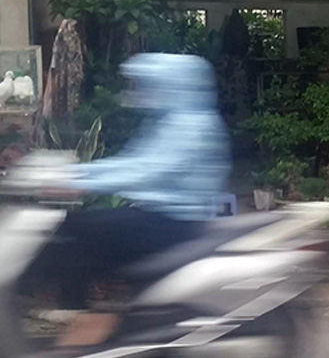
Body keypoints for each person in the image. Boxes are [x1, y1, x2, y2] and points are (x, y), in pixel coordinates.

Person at [22, 53, 231, 309]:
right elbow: (129, 163)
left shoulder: (191, 127)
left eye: (145, 85)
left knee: (76, 229)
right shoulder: (171, 121)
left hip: (172, 223)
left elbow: (145, 171)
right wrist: (75, 175)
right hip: (157, 218)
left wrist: (81, 182)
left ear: (168, 86)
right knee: (77, 227)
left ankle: (72, 313)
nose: (140, 91)